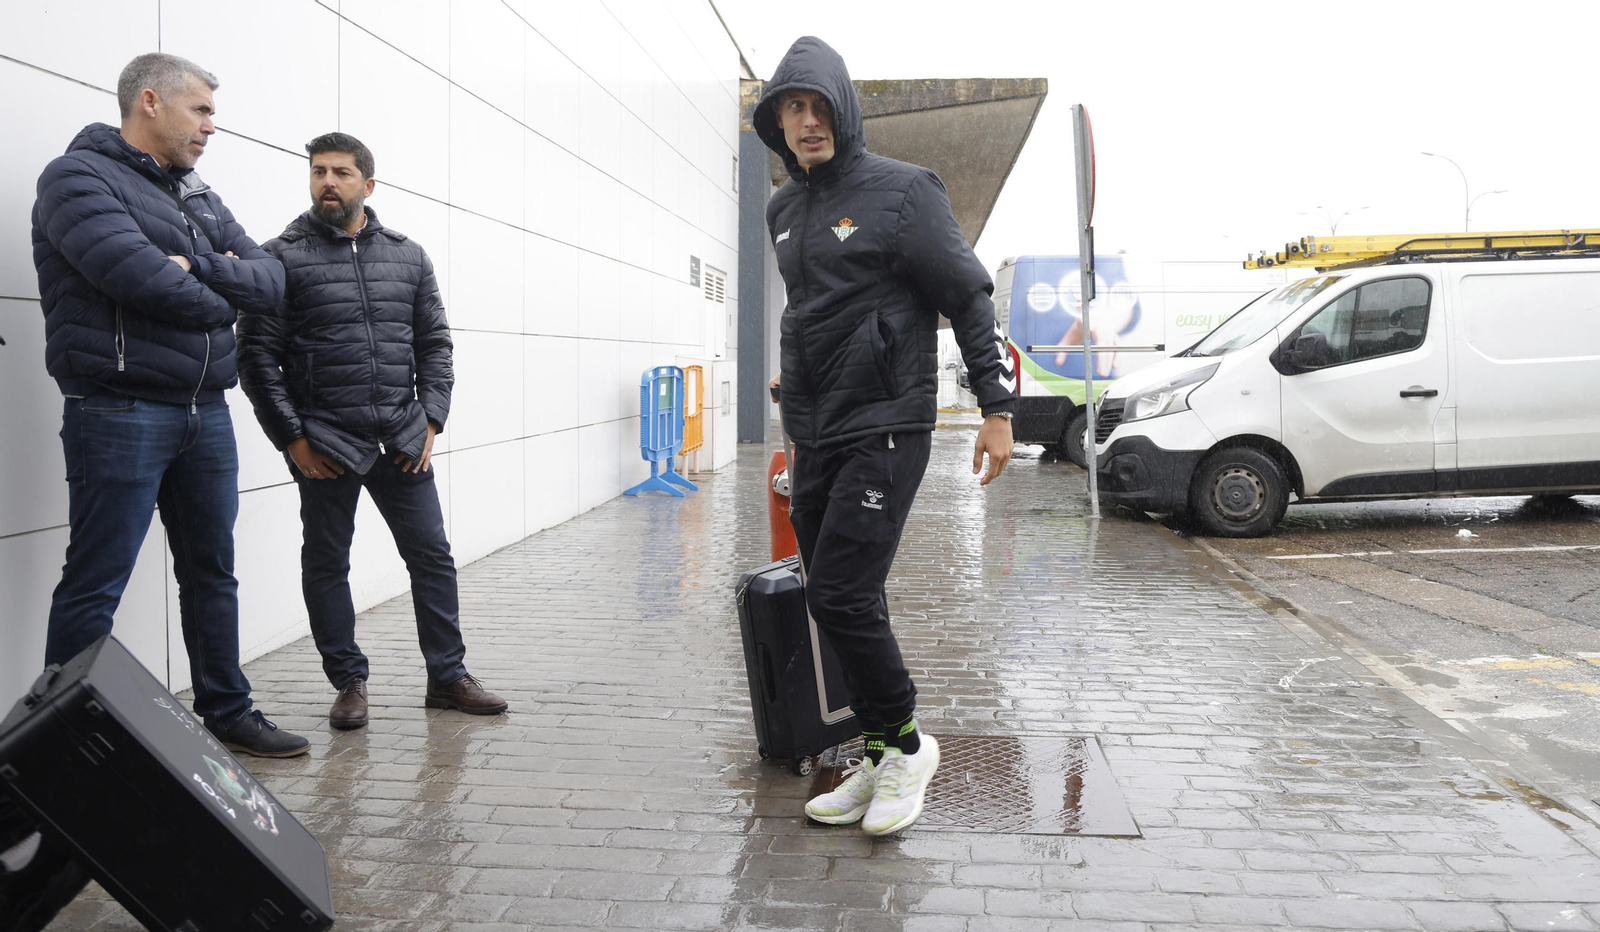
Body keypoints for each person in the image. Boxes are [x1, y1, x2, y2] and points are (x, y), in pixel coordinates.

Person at [753, 37, 1017, 835]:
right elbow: (812, 312)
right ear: (777, 120)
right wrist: (793, 394)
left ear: (844, 107)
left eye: (819, 105)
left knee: (841, 590)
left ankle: (906, 746)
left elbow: (968, 296)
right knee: (829, 598)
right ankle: (876, 750)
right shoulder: (782, 209)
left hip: (888, 424)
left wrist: (996, 408)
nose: (807, 122)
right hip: (816, 428)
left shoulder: (905, 191)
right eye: (792, 108)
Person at [31, 52, 308, 759]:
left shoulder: (199, 195)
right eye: (202, 111)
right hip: (118, 410)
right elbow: (141, 281)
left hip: (204, 413)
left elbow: (273, 278)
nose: (212, 127)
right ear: (150, 102)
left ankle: (227, 711)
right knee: (96, 581)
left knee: (211, 571)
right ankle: (65, 741)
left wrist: (206, 269)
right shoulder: (77, 179)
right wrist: (225, 298)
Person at [237, 133, 506, 730]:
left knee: (432, 557)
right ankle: (349, 682)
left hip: (402, 440)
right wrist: (292, 439)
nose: (327, 182)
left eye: (341, 172)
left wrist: (431, 418)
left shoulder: (408, 256)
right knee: (328, 563)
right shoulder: (277, 256)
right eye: (318, 172)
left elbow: (435, 343)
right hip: (326, 444)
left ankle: (448, 676)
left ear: (369, 184)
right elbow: (256, 357)